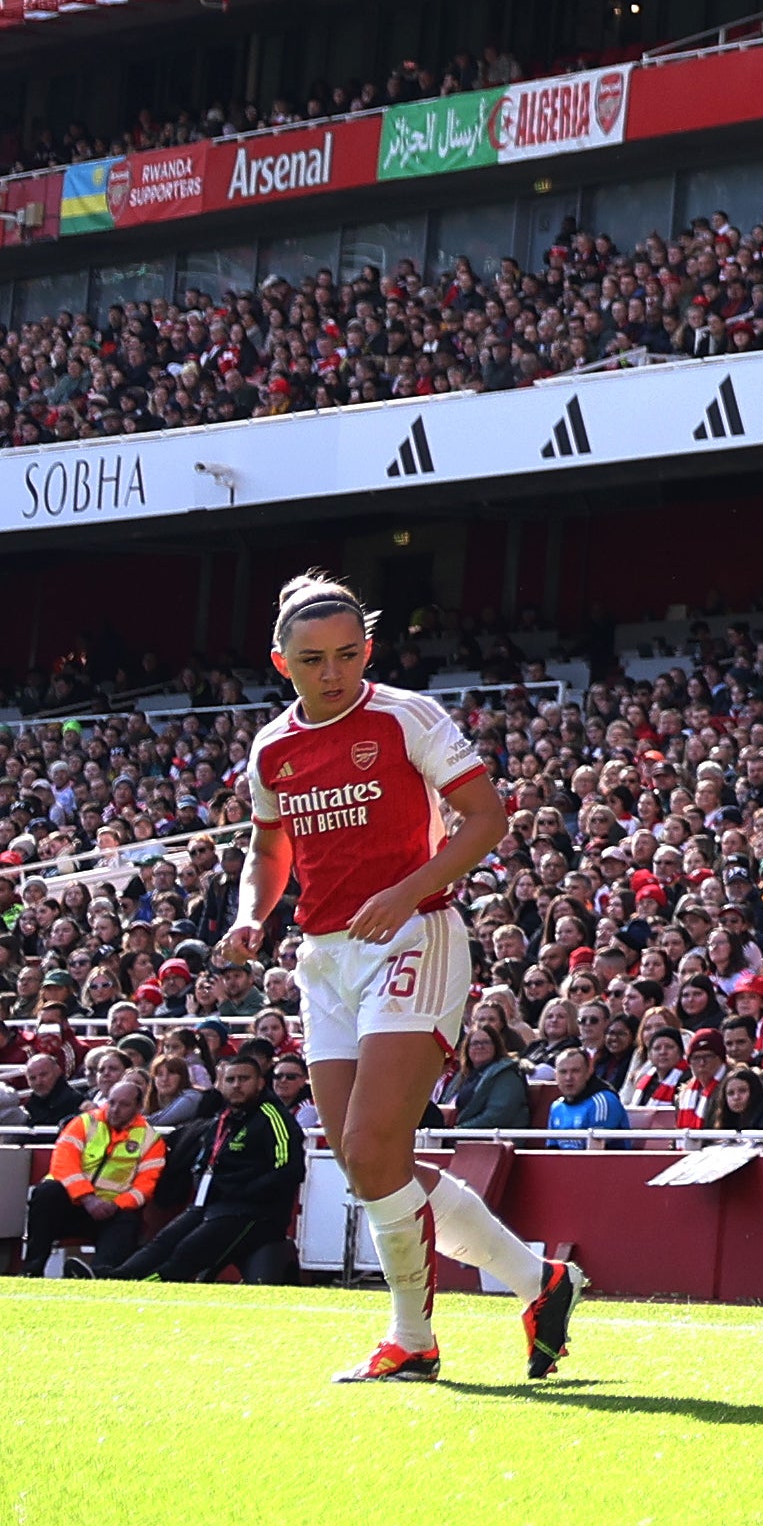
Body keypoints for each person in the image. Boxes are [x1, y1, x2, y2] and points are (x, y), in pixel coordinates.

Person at [242, 574, 582, 1383]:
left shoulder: (406, 717)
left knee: (369, 1145)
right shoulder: (270, 749)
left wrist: (404, 894)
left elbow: (488, 818)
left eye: (349, 654)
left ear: (370, 649)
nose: (333, 673)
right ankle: (542, 1280)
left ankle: (413, 1341)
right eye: (314, 659)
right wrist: (250, 917)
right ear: (280, 660)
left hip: (415, 935)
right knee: (368, 1164)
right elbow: (267, 849)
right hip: (324, 957)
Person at [114, 1041, 305, 1284]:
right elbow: (206, 1159)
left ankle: (143, 1287)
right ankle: (112, 1279)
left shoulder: (273, 1117)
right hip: (210, 1205)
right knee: (163, 1242)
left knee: (187, 1253)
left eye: (243, 1079)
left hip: (253, 1213)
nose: (236, 1085)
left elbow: (290, 1171)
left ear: (259, 1083)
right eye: (230, 1080)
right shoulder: (223, 1118)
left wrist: (243, 1191)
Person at [23, 1067, 161, 1276]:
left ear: (139, 1107)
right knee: (46, 1192)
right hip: (71, 1204)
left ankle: (99, 1274)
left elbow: (144, 1187)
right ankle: (32, 1270)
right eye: (112, 1102)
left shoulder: (151, 1140)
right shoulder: (84, 1122)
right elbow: (63, 1164)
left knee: (128, 1217)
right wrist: (88, 1199)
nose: (114, 1109)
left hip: (111, 1212)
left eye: (124, 1105)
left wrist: (116, 1205)